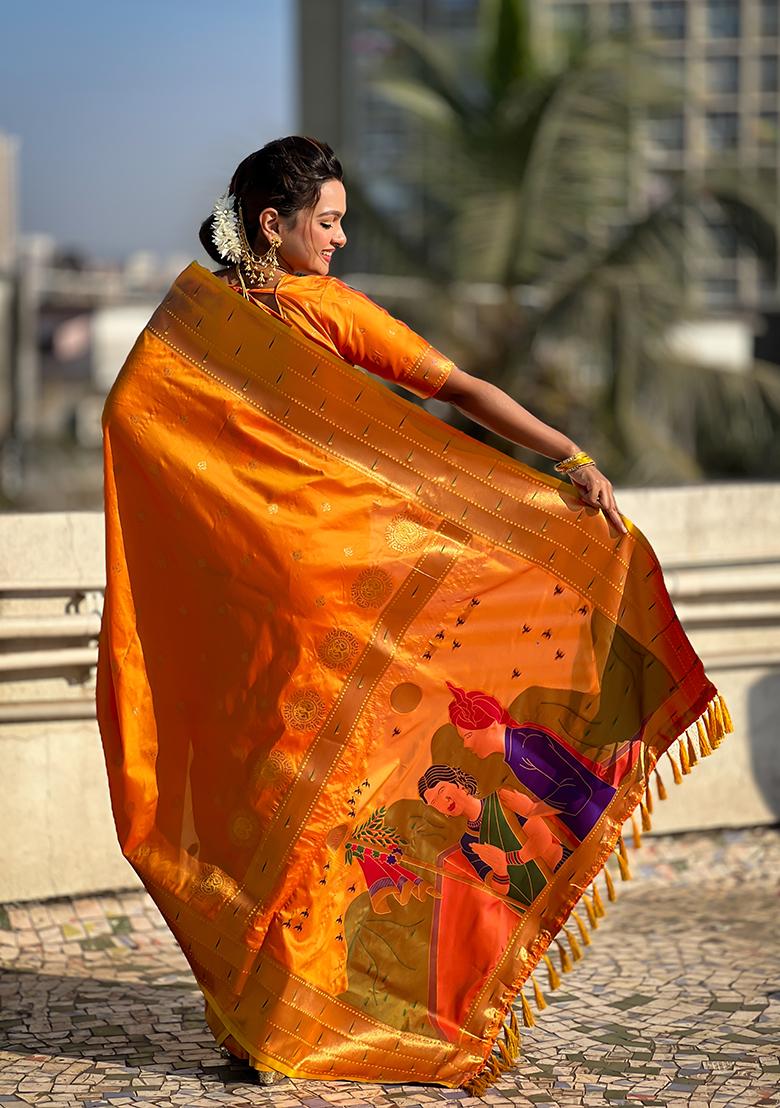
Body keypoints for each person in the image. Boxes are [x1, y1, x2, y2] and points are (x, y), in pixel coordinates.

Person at [96, 135, 731, 1094]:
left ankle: (271, 1024)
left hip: (309, 615)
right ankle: (267, 1018)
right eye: (329, 222)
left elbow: (129, 417)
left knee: (293, 812)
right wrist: (570, 457)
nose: (341, 240)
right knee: (284, 810)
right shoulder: (236, 326)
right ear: (272, 226)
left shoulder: (203, 328)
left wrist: (560, 462)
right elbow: (458, 388)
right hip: (295, 612)